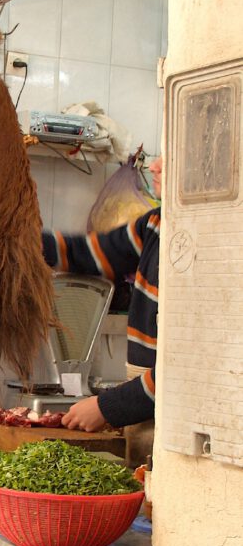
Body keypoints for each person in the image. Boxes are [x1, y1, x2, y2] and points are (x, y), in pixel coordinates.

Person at [42, 157, 162, 443]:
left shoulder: (210, 244)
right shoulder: (156, 224)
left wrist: (106, 407)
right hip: (147, 399)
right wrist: (17, 241)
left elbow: (188, 370)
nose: (154, 166)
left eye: (167, 160)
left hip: (169, 404)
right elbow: (91, 254)